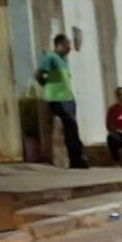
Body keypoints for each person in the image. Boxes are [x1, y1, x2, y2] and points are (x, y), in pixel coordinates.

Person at [37, 33, 89, 169]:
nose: (69, 48)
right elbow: (39, 75)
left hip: (68, 98)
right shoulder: (50, 57)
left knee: (72, 126)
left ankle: (77, 157)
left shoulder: (64, 60)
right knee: (70, 124)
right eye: (67, 45)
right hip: (57, 98)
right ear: (59, 45)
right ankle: (76, 157)